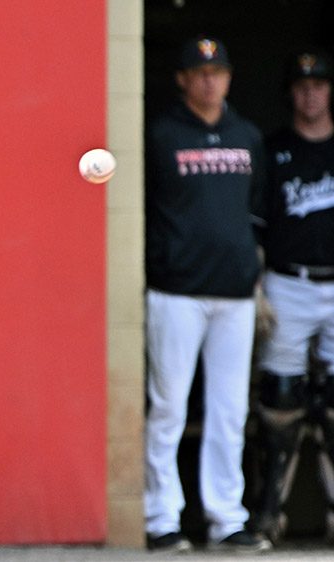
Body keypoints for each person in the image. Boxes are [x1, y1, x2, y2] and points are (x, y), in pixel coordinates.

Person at [143, 35, 272, 553]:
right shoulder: (162, 134)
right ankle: (161, 518)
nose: (208, 80)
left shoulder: (248, 136)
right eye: (198, 72)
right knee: (169, 406)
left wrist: (256, 280)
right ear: (181, 79)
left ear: (229, 77)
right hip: (177, 292)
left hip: (236, 294)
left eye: (217, 71)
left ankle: (226, 517)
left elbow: (257, 212)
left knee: (229, 411)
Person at [252, 49, 334, 544]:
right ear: (290, 92)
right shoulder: (273, 149)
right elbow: (257, 226)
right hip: (289, 282)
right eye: (302, 85)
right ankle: (271, 512)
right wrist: (257, 284)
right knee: (280, 403)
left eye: (319, 84)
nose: (311, 93)